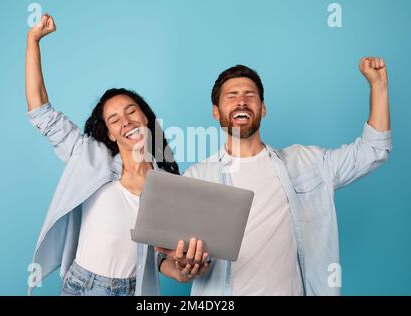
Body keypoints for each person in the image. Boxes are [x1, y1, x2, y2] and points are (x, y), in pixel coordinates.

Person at [160, 60, 392, 295]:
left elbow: (373, 151)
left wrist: (379, 85)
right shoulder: (196, 178)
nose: (241, 101)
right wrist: (186, 266)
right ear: (216, 111)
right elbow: (168, 256)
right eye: (231, 96)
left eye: (250, 95)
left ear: (263, 109)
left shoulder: (306, 163)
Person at [25, 14, 206, 296]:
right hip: (82, 286)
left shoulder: (167, 182)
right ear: (109, 133)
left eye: (131, 111)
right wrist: (33, 41)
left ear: (145, 117)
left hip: (134, 291)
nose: (126, 121)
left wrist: (182, 271)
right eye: (114, 119)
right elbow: (41, 113)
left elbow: (159, 260)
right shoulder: (89, 156)